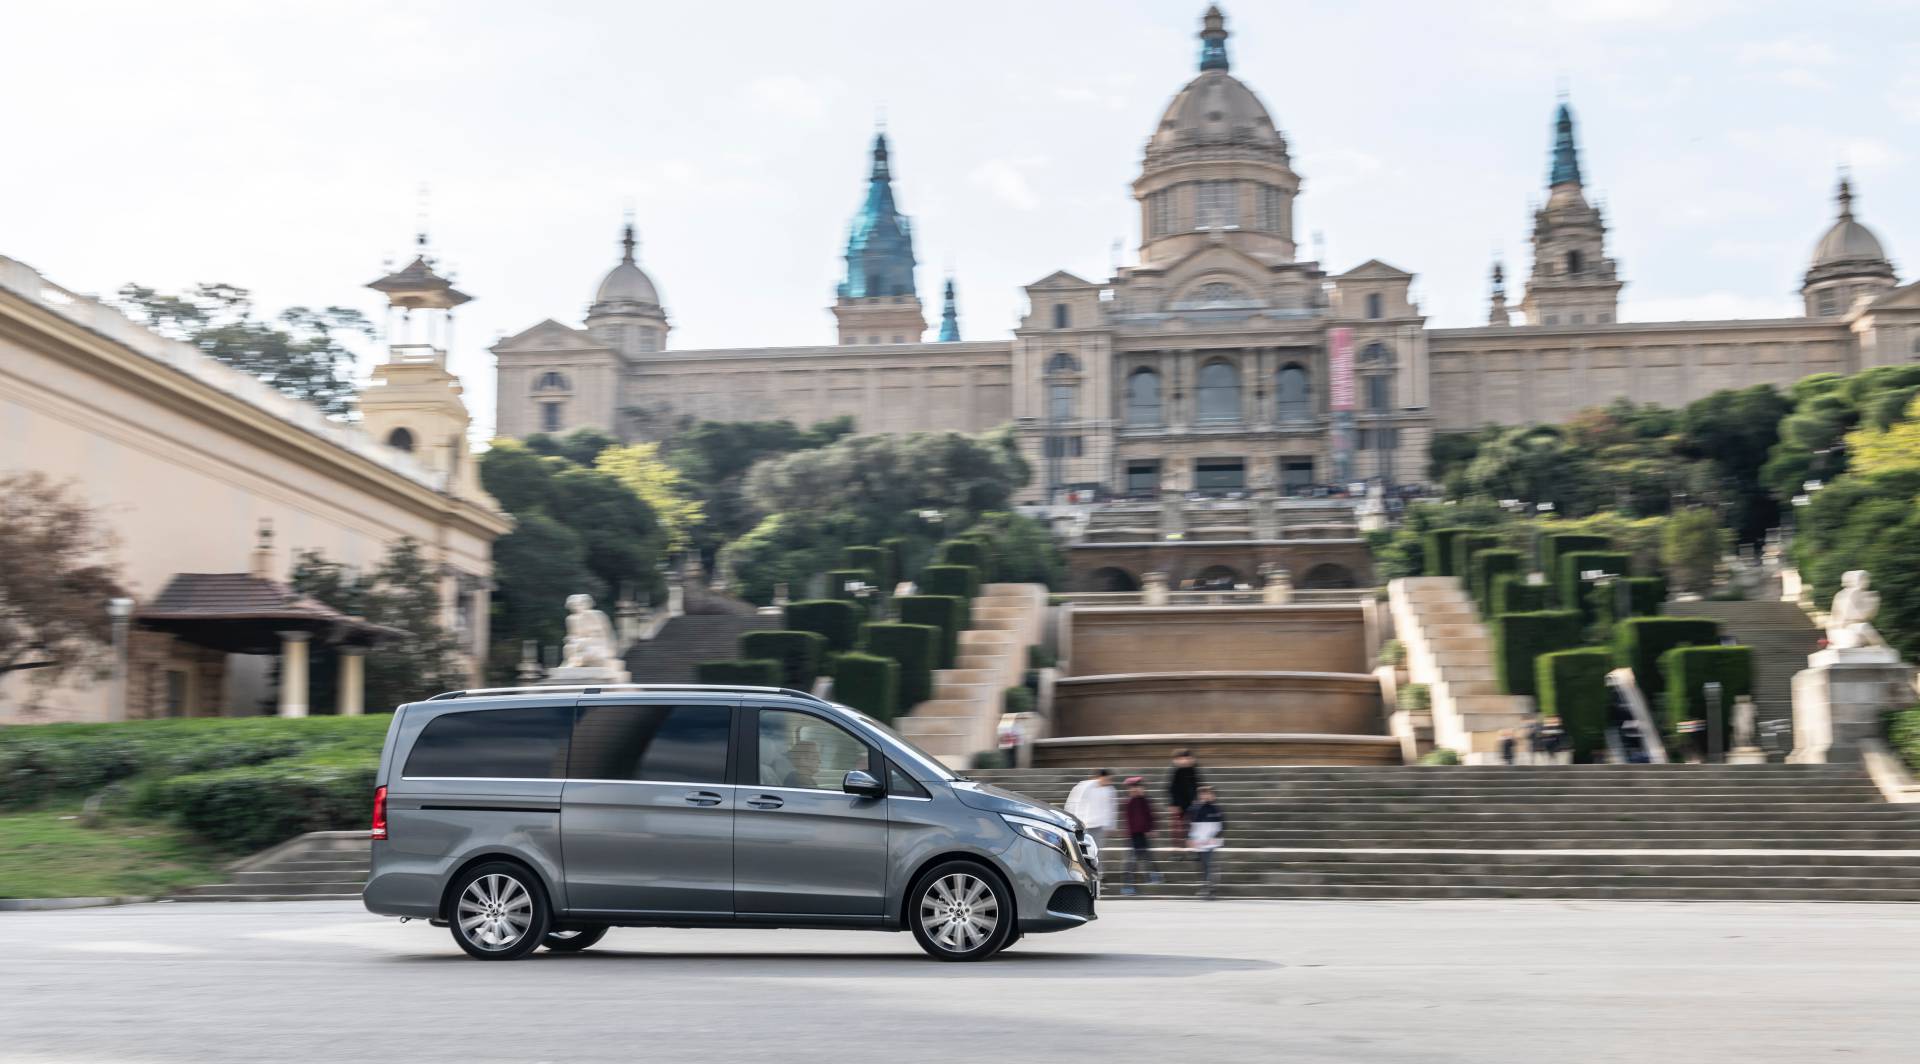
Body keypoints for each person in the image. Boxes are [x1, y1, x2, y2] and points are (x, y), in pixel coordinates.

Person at [1121, 776, 1161, 894]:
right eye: (1133, 788)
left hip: (1144, 834)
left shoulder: (1146, 801)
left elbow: (1151, 817)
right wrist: (1128, 834)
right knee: (1132, 861)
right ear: (1129, 790)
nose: (1136, 790)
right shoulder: (1128, 802)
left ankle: (1154, 876)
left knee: (1148, 857)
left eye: (1139, 788)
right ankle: (1128, 886)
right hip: (1133, 836)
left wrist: (1152, 829)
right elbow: (1128, 820)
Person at [1187, 785, 1227, 899]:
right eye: (1203, 794)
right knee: (1202, 865)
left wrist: (1215, 836)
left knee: (1209, 864)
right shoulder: (1194, 808)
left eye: (1209, 793)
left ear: (1213, 796)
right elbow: (1189, 824)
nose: (1206, 796)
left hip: (1211, 842)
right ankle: (1206, 886)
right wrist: (1189, 838)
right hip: (1199, 842)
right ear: (1199, 795)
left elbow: (1223, 825)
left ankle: (1210, 888)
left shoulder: (1217, 809)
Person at [1065, 768, 1118, 851]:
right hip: (1085, 824)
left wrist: (1111, 826)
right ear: (1100, 777)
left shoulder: (1110, 790)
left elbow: (1111, 808)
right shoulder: (1085, 786)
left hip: (1099, 825)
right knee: (1084, 849)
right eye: (1107, 779)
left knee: (1096, 850)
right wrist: (1072, 821)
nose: (1108, 782)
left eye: (1109, 779)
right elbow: (1074, 802)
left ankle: (1096, 864)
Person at [1167, 749, 1202, 839]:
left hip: (1193, 802)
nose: (1185, 761)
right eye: (1182, 759)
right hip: (1180, 803)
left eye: (1187, 758)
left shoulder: (1194, 770)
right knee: (1181, 824)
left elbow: (1198, 785)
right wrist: (1173, 804)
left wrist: (1198, 799)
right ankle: (1182, 842)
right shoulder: (1176, 771)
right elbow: (1171, 788)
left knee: (1194, 822)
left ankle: (1192, 839)